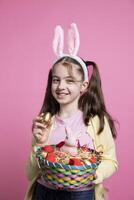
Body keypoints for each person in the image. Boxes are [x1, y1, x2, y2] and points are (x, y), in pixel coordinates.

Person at [25, 24, 118, 200]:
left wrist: (96, 172)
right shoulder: (44, 121)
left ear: (83, 86)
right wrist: (39, 144)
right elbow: (30, 174)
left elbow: (111, 161)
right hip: (44, 193)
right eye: (56, 80)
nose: (61, 86)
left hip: (82, 194)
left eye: (69, 81)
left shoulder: (97, 121)